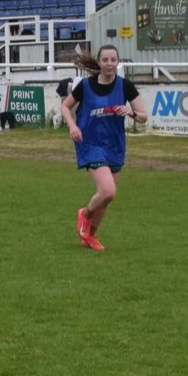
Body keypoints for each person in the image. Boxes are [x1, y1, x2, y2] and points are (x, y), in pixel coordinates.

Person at [59, 45, 147, 251]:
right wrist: (72, 125)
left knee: (105, 200)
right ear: (99, 63)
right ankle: (85, 214)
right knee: (108, 191)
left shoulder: (125, 86)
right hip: (90, 143)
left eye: (113, 60)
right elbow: (65, 106)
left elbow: (143, 116)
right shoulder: (86, 86)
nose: (109, 64)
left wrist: (131, 113)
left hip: (114, 146)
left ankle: (89, 236)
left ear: (118, 62)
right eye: (105, 60)